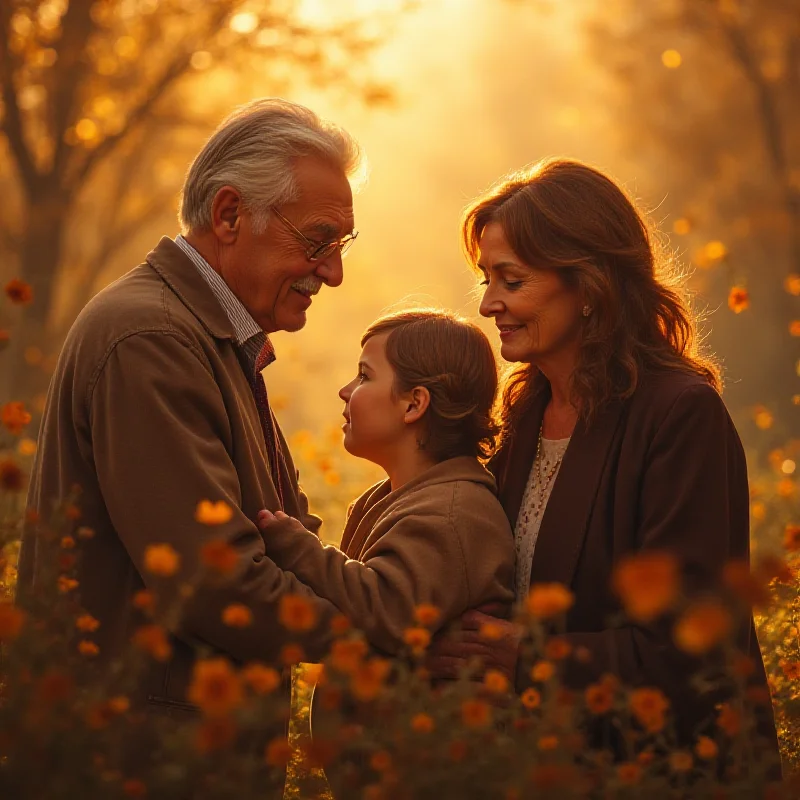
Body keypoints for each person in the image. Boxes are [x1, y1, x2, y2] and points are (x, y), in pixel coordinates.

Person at [17, 98, 363, 714]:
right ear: (230, 214)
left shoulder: (212, 339)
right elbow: (215, 583)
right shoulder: (153, 339)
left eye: (342, 245)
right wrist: (391, 635)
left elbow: (284, 542)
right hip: (133, 759)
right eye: (317, 240)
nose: (333, 273)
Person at [426, 159, 779, 760]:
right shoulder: (524, 415)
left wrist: (525, 657)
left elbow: (692, 653)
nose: (488, 305)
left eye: (512, 282)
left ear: (589, 286)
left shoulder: (679, 416)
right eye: (486, 280)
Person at [258, 310, 515, 655]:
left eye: (364, 376)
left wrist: (298, 548)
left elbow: (389, 611)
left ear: (414, 404)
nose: (345, 391)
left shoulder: (453, 514)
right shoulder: (401, 498)